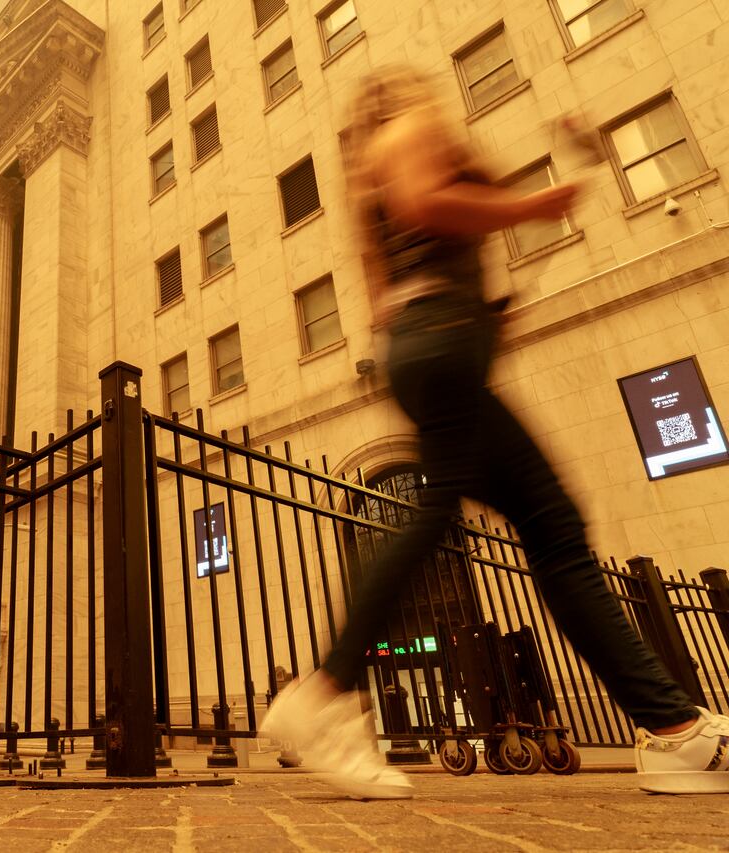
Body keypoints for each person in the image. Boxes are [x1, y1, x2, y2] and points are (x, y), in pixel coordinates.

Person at [261, 64, 719, 799]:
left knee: (550, 526)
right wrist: (532, 202)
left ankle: (671, 727)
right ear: (399, 99)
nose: (427, 88)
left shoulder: (366, 188)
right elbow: (427, 202)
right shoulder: (410, 132)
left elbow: (386, 304)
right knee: (502, 517)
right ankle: (325, 690)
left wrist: (477, 322)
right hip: (440, 340)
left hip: (433, 343)